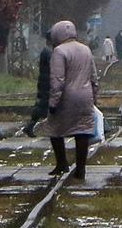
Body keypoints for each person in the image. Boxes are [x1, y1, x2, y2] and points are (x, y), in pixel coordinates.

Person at [41, 19, 100, 180]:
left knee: (54, 128)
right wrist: (94, 98)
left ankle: (62, 163)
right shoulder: (86, 50)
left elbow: (57, 80)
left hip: (67, 97)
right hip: (85, 96)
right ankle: (81, 168)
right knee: (83, 132)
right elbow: (94, 77)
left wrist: (53, 102)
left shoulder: (59, 52)